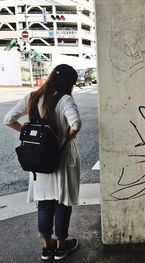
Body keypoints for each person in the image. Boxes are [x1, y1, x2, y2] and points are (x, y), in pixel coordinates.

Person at [3, 64, 82, 260]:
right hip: (61, 161)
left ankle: (47, 248)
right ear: (68, 83)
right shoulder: (65, 99)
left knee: (45, 204)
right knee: (62, 203)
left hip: (39, 161)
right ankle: (61, 246)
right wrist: (67, 138)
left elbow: (8, 119)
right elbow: (76, 123)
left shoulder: (32, 97)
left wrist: (28, 134)